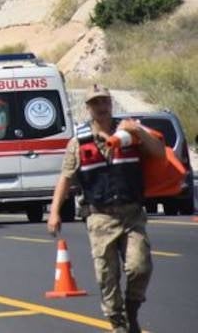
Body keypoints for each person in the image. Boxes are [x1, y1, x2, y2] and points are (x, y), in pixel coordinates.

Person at [47, 85, 162, 333]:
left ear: (111, 104)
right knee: (106, 276)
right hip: (100, 217)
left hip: (132, 214)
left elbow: (159, 152)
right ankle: (118, 323)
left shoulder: (130, 134)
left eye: (104, 102)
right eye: (95, 103)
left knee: (140, 267)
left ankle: (131, 311)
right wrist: (55, 212)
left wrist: (138, 130)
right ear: (88, 108)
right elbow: (65, 178)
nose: (101, 107)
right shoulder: (78, 143)